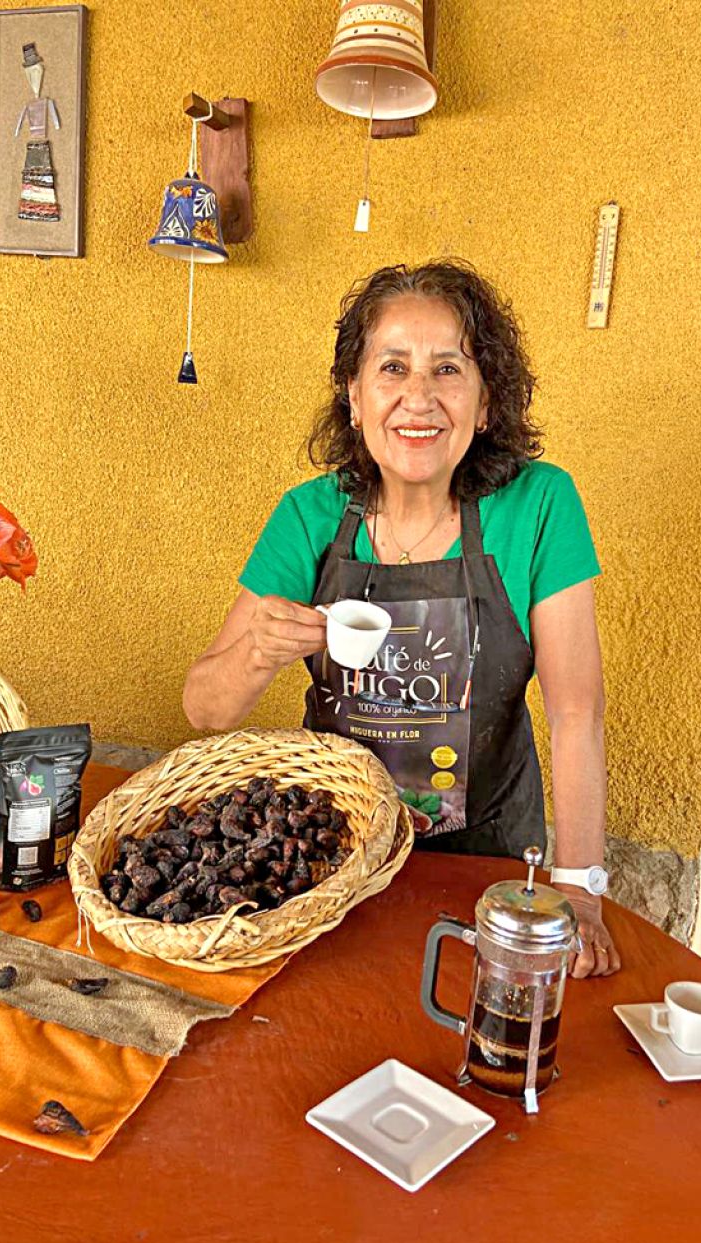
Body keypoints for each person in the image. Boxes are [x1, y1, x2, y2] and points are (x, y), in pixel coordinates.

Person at [184, 261, 619, 977]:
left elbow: (578, 713)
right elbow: (204, 709)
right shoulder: (309, 516)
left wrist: (581, 890)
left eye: (448, 368)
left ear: (486, 404)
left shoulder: (540, 506)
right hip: (328, 861)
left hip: (488, 866)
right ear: (355, 398)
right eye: (392, 367)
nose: (419, 398)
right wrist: (257, 652)